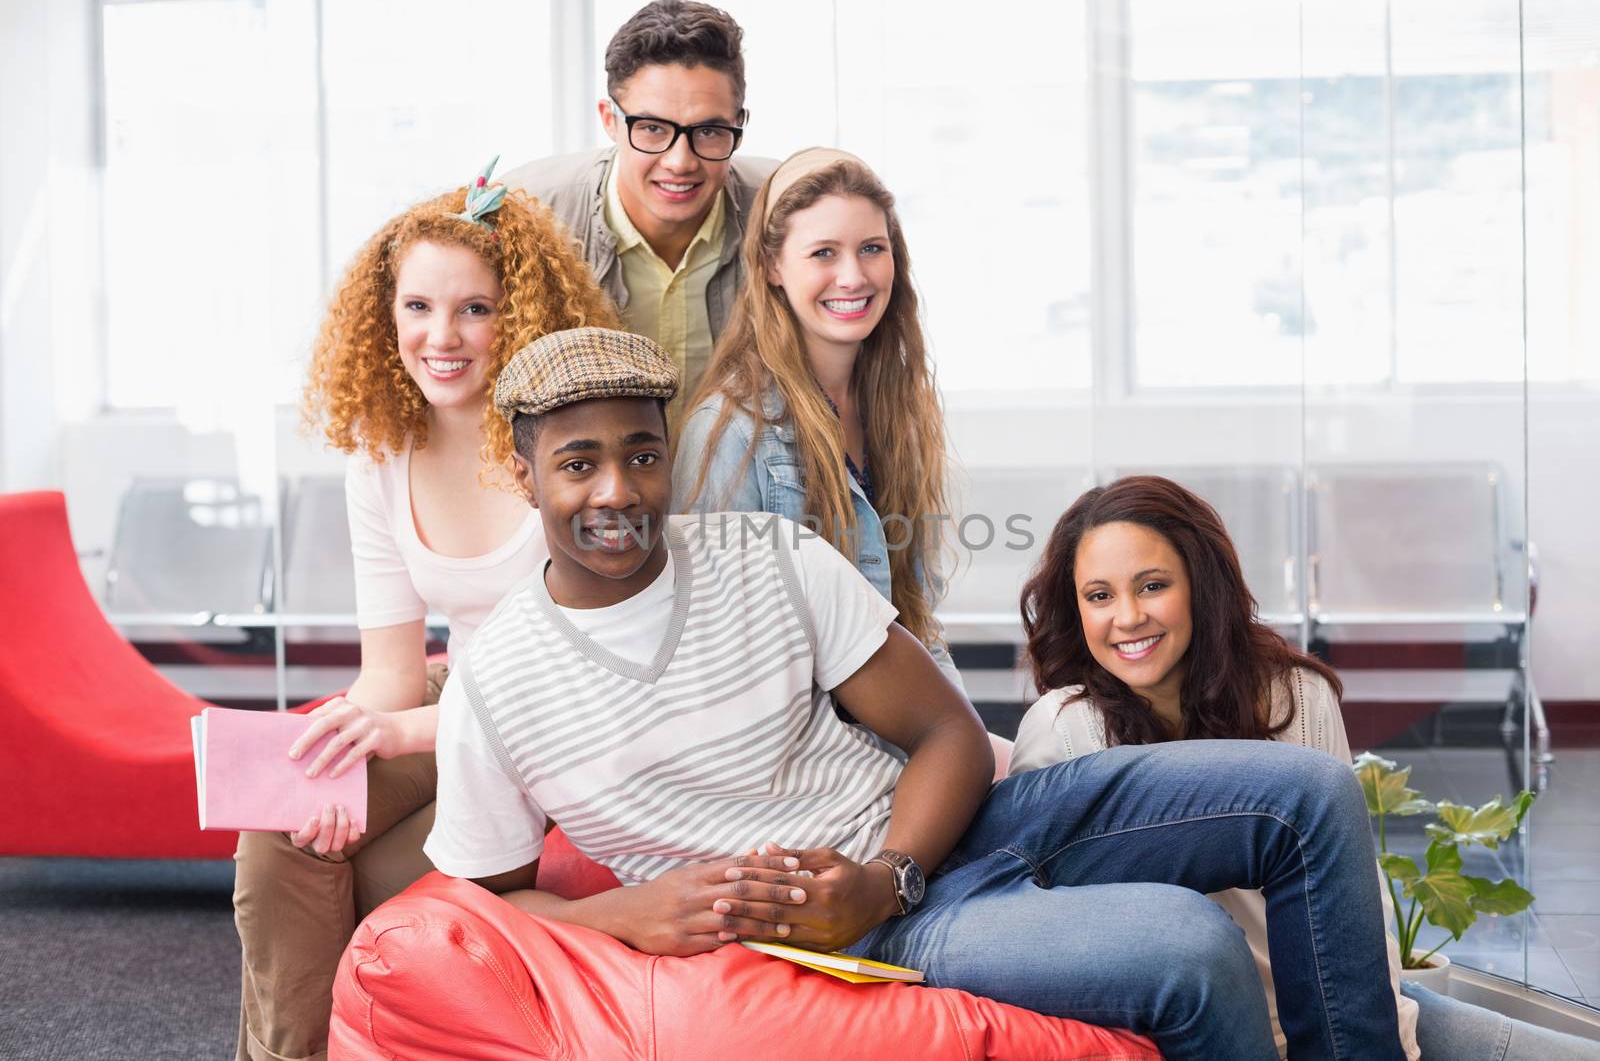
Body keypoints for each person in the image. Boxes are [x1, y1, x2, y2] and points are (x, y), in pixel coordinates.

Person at [422, 325, 1409, 1061]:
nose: (617, 492)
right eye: (578, 463)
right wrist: (624, 913)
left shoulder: (765, 556)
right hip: (867, 935)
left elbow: (942, 727)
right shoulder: (497, 683)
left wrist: (888, 866)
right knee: (1189, 946)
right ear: (522, 471)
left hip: (953, 836)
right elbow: (479, 905)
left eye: (640, 453)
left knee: (1309, 798)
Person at [1009, 473, 1600, 1061]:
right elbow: (1055, 947)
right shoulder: (1063, 731)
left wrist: (1386, 1037)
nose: (1129, 617)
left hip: (1341, 1010)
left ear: (1201, 585)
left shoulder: (1295, 694)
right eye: (1100, 596)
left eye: (1153, 585)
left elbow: (1355, 890)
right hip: (1201, 1037)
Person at [231, 166, 618, 1061]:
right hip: (451, 703)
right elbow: (393, 675)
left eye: (475, 310)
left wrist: (396, 734)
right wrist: (345, 748)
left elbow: (582, 674)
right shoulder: (380, 455)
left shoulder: (570, 448)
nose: (441, 337)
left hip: (562, 726)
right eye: (417, 308)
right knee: (282, 837)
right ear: (386, 316)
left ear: (517, 318)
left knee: (361, 871)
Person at [673, 148, 959, 681]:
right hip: (807, 747)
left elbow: (918, 625)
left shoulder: (896, 412)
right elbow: (711, 651)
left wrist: (963, 734)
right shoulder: (730, 430)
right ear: (773, 267)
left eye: (871, 248)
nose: (852, 276)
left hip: (905, 723)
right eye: (824, 253)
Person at [502, 0, 777, 409]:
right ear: (609, 120)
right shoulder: (528, 215)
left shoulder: (787, 210)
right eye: (651, 128)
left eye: (709, 131)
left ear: (739, 124)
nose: (680, 162)